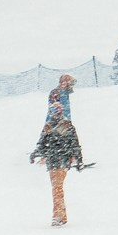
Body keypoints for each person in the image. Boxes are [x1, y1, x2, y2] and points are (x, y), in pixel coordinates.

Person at [30, 88, 85, 227]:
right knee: (57, 188)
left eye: (57, 112)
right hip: (53, 161)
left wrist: (79, 159)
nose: (55, 115)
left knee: (57, 188)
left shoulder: (66, 126)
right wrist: (35, 154)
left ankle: (57, 216)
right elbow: (42, 143)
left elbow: (75, 144)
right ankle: (62, 216)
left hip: (61, 160)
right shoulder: (48, 127)